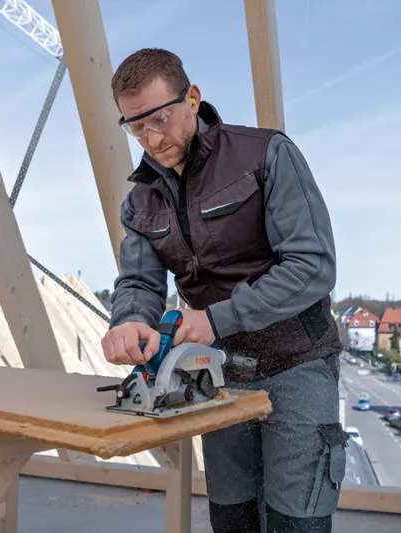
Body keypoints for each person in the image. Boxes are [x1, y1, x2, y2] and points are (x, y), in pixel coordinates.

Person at [101, 48, 347, 533]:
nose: (151, 139)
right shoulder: (140, 201)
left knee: (296, 523)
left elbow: (312, 266)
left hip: (298, 364)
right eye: (135, 127)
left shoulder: (266, 154)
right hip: (216, 376)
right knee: (232, 519)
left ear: (192, 98)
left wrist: (214, 320)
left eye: (160, 119)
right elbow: (138, 281)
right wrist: (128, 318)